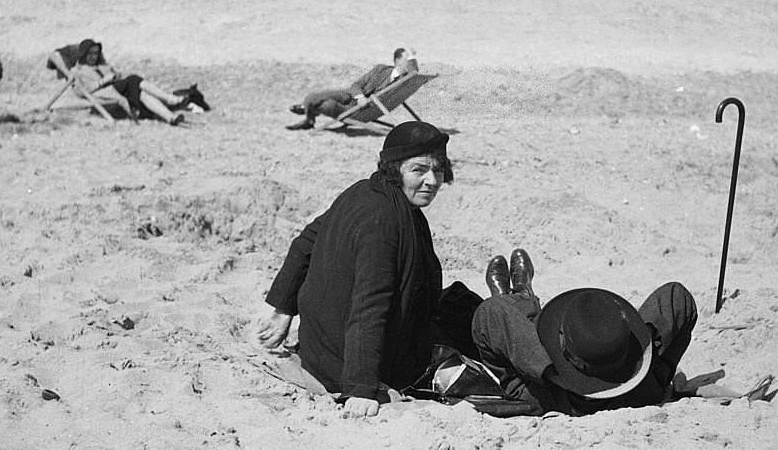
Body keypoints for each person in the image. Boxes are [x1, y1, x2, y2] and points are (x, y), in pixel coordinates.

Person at [258, 121, 480, 417]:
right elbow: (370, 304)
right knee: (473, 336)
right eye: (419, 170)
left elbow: (304, 244)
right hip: (344, 360)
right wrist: (361, 388)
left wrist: (283, 309)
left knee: (462, 305)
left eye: (438, 170)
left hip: (322, 346)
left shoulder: (365, 191)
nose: (432, 180)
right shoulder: (382, 221)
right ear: (394, 169)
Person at [471, 249, 700, 416]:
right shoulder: (646, 392)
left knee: (503, 317)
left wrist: (553, 372)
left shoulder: (544, 398)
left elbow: (488, 315)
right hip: (630, 385)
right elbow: (679, 297)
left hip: (548, 390)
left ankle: (517, 297)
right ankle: (521, 297)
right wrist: (644, 346)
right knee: (526, 332)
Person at [50, 39, 186, 125]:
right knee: (134, 79)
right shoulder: (77, 71)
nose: (94, 56)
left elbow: (116, 75)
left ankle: (171, 118)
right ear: (83, 54)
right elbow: (81, 91)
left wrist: (115, 75)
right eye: (90, 53)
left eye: (96, 53)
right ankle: (169, 98)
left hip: (118, 88)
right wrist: (104, 80)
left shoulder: (102, 65)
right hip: (104, 92)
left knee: (142, 94)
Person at [285, 47, 418, 130]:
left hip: (356, 110)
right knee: (315, 96)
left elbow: (414, 72)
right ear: (397, 60)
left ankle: (307, 115)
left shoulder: (403, 80)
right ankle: (307, 110)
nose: (408, 63)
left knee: (327, 105)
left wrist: (412, 57)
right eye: (406, 59)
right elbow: (357, 84)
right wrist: (360, 97)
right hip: (350, 96)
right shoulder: (381, 69)